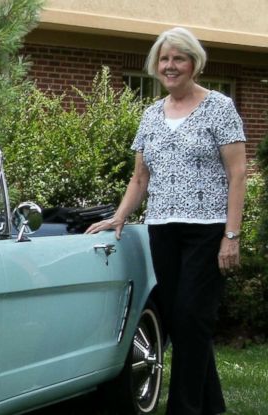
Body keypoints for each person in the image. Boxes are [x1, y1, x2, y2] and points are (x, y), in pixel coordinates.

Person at [85, 27, 246, 415]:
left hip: (207, 229)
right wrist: (119, 216)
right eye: (164, 59)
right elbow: (141, 176)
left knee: (193, 316)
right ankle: (212, 406)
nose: (170, 66)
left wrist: (232, 235)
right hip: (163, 228)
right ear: (156, 66)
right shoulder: (151, 115)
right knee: (180, 321)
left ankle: (184, 408)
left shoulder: (219, 107)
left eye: (179, 58)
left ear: (194, 63)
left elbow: (238, 174)